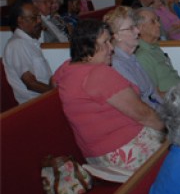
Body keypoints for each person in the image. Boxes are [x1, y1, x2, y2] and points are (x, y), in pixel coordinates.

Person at [53, 19, 165, 177]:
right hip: (124, 151)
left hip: (96, 156)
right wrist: (168, 126)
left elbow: (53, 82)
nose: (111, 48)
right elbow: (144, 115)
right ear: (87, 46)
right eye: (105, 42)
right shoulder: (99, 74)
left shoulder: (67, 68)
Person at [104, 6, 163, 110]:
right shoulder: (118, 64)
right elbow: (138, 103)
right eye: (131, 28)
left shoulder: (132, 57)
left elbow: (153, 93)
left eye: (135, 26)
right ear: (117, 35)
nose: (137, 31)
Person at [3, 0, 53, 103]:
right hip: (36, 103)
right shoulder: (17, 45)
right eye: (34, 18)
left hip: (45, 97)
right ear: (20, 21)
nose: (39, 21)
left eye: (39, 17)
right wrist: (59, 93)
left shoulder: (29, 42)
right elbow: (31, 84)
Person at [133, 8, 180, 93]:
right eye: (153, 21)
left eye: (158, 20)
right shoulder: (142, 56)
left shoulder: (155, 47)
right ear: (141, 28)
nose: (159, 25)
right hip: (173, 99)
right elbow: (154, 94)